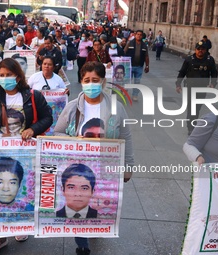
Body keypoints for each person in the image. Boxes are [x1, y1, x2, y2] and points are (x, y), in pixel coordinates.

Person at [54, 61, 134, 255]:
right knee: (79, 203)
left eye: (95, 80)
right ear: (81, 82)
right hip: (79, 169)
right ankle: (82, 244)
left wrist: (128, 165)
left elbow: (126, 136)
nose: (91, 84)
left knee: (98, 204)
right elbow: (57, 133)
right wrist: (75, 140)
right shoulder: (72, 107)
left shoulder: (116, 107)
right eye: (87, 80)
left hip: (106, 167)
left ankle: (95, 227)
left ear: (103, 82)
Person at [0, 58, 52, 254]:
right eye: (1, 75)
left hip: (25, 154)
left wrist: (33, 129)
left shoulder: (33, 96)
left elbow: (48, 117)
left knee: (21, 191)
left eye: (8, 75)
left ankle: (20, 226)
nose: (5, 78)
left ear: (18, 76)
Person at [176, 41, 218, 135]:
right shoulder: (189, 59)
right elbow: (182, 72)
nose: (200, 51)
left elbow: (214, 72)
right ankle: (190, 127)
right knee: (191, 108)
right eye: (198, 49)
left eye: (202, 49)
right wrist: (178, 84)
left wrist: (213, 83)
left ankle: (193, 124)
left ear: (206, 50)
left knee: (197, 108)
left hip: (202, 88)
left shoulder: (209, 60)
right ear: (195, 49)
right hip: (190, 87)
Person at [124, 30, 150, 102]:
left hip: (139, 66)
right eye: (137, 34)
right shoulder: (130, 43)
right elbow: (124, 52)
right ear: (135, 35)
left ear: (142, 36)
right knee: (127, 79)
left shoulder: (144, 45)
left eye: (140, 35)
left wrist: (147, 66)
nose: (139, 36)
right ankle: (125, 91)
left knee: (137, 81)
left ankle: (135, 95)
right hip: (130, 66)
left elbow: (146, 56)